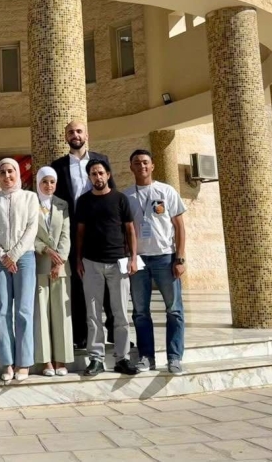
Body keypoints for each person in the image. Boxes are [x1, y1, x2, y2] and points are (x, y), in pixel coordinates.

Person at [49, 120, 115, 350]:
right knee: (77, 284)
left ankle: (114, 333)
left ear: (86, 135)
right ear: (66, 137)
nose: (75, 135)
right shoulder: (58, 166)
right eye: (71, 132)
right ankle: (81, 335)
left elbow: (112, 193)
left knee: (108, 284)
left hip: (101, 231)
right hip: (73, 230)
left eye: (79, 131)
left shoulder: (101, 160)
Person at [124, 150, 187, 375]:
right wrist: (129, 259)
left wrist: (180, 258)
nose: (141, 166)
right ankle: (146, 357)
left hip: (165, 257)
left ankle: (174, 357)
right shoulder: (126, 196)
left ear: (152, 166)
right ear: (131, 167)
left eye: (145, 162)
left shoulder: (166, 191)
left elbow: (179, 226)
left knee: (174, 310)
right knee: (140, 312)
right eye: (137, 163)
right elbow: (125, 230)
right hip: (139, 260)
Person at [75, 160, 138, 377]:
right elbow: (80, 232)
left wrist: (133, 258)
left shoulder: (120, 199)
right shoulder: (84, 201)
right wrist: (78, 260)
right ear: (89, 177)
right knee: (93, 315)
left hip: (118, 263)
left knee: (120, 314)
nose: (98, 177)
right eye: (93, 174)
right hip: (91, 263)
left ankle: (122, 358)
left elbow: (130, 230)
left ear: (108, 175)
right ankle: (96, 359)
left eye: (101, 173)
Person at [0, 158, 39, 382]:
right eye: (3, 172)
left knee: (24, 310)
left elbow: (31, 228)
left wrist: (14, 255)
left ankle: (23, 362)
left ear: (18, 173)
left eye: (11, 171)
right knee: (2, 310)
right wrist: (3, 255)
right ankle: (6, 362)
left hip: (24, 258)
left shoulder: (30, 197)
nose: (7, 176)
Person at [33, 166, 74, 376]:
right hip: (39, 263)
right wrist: (45, 249)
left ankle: (61, 359)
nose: (48, 186)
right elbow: (28, 233)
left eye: (52, 182)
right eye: (44, 182)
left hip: (60, 266)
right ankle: (46, 360)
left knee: (61, 313)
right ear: (38, 183)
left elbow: (66, 234)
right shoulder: (31, 203)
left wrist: (60, 261)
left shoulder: (62, 205)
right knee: (41, 313)